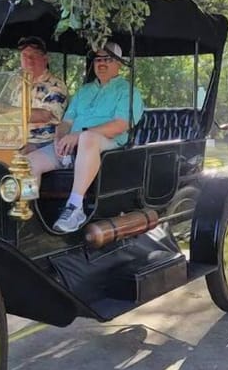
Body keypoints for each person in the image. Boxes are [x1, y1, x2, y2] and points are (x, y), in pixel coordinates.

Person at [27, 42, 144, 232]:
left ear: (119, 64)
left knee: (88, 138)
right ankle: (28, 213)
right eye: (98, 59)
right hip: (73, 145)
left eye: (107, 59)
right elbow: (65, 122)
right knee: (29, 163)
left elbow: (121, 126)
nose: (102, 63)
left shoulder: (128, 91)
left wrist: (80, 135)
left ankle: (75, 207)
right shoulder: (84, 91)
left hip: (109, 146)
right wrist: (59, 139)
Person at [11, 36, 69, 151]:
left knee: (15, 159)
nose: (29, 60)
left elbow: (45, 116)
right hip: (16, 141)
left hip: (44, 143)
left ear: (45, 59)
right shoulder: (19, 87)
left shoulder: (55, 86)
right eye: (24, 56)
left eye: (35, 55)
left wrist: (5, 110)